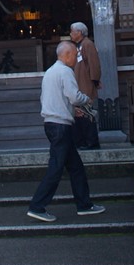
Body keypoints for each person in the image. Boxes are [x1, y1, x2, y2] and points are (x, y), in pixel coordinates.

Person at [27, 41, 104, 222]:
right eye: (75, 55)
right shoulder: (65, 71)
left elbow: (55, 98)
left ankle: (84, 204)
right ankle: (37, 206)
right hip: (61, 126)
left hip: (53, 123)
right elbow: (74, 96)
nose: (76, 59)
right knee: (56, 168)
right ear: (67, 55)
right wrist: (87, 100)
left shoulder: (51, 72)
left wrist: (71, 109)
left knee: (75, 167)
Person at [68, 22, 101, 149]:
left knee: (87, 114)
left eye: (72, 31)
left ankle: (91, 142)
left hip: (86, 84)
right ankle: (82, 141)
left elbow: (94, 64)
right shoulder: (79, 45)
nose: (71, 34)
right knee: (80, 114)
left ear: (79, 33)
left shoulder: (87, 44)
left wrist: (95, 80)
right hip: (80, 84)